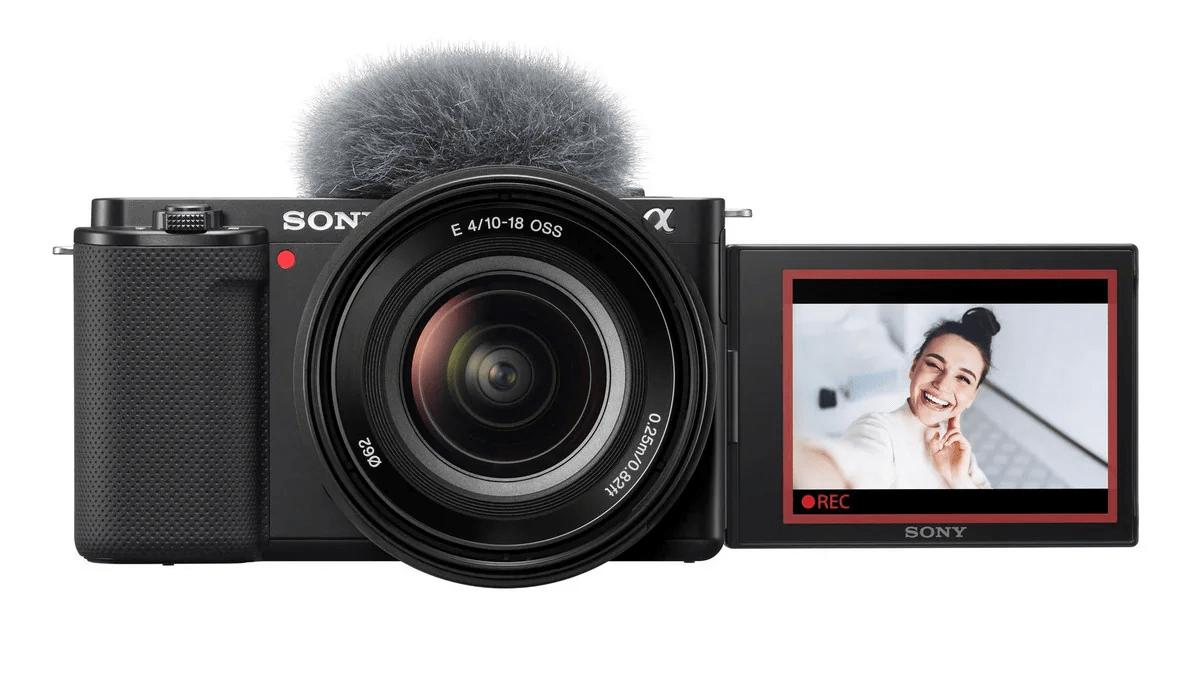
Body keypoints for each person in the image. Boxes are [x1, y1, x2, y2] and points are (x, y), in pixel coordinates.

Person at [819, 307, 1001, 489]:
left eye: (963, 378)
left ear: (973, 396)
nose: (942, 385)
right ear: (914, 368)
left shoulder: (960, 451)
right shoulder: (877, 430)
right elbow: (853, 472)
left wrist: (958, 479)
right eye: (934, 365)